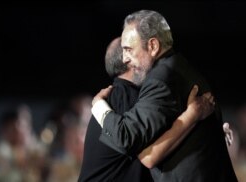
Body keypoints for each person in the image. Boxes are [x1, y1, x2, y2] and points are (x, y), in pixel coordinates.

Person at [91, 10, 237, 181]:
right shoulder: (179, 67)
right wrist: (193, 117)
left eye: (129, 49)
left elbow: (126, 137)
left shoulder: (161, 80)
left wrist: (98, 105)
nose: (124, 59)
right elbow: (149, 156)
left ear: (153, 46)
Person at [79, 37, 215, 181]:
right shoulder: (131, 100)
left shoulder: (113, 98)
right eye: (146, 49)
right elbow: (150, 156)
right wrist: (193, 114)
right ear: (129, 59)